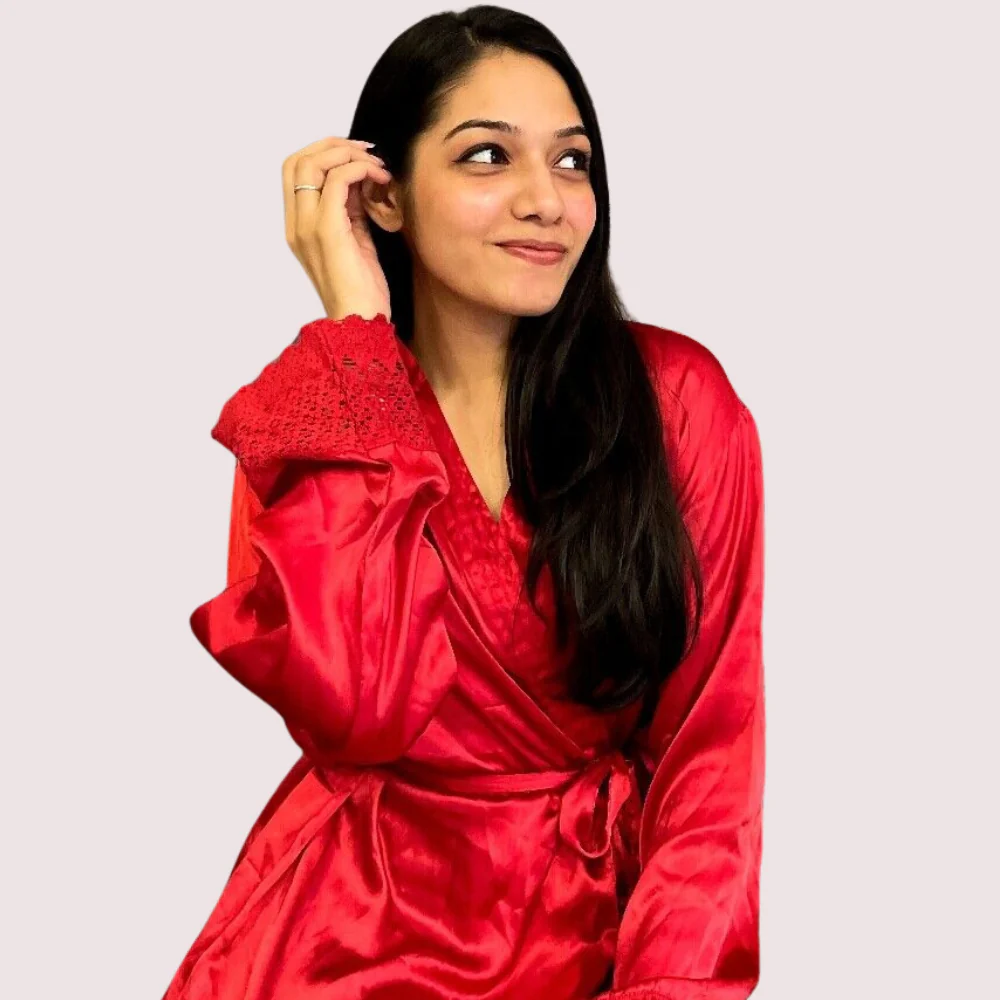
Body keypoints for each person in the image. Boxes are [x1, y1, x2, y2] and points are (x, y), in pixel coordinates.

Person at [162, 6, 766, 998]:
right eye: (488, 156)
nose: (546, 200)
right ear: (384, 196)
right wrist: (356, 332)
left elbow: (711, 768)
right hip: (334, 944)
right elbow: (357, 710)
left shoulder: (676, 401)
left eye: (572, 162)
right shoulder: (321, 415)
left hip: (590, 941)